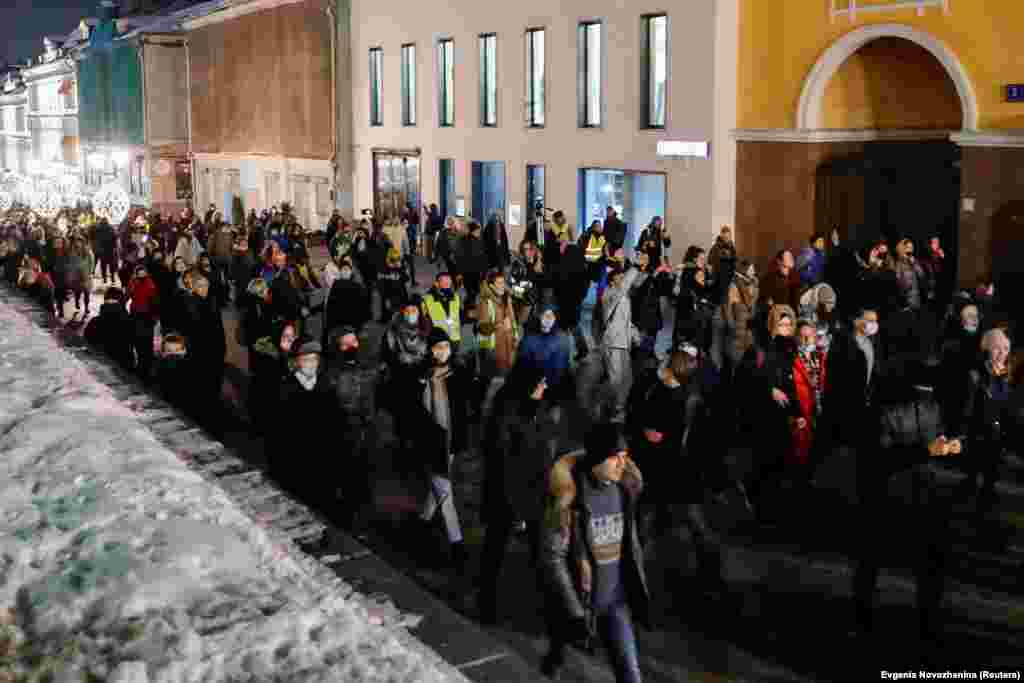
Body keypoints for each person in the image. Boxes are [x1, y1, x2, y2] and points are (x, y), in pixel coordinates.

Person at [852, 358, 961, 648]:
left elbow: (935, 432)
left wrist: (947, 444)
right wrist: (927, 449)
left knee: (927, 562)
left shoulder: (928, 406)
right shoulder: (885, 413)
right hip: (888, 494)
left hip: (922, 492)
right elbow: (882, 457)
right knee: (873, 558)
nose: (927, 394)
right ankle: (863, 615)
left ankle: (926, 620)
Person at [539, 423, 648, 682]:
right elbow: (553, 557)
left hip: (615, 602)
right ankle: (553, 659)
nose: (622, 465)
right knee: (561, 646)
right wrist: (574, 610)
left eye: (625, 457)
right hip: (581, 602)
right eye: (615, 458)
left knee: (631, 675)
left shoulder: (624, 490)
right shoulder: (570, 496)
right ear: (598, 457)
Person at [477, 366, 562, 625]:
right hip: (507, 496)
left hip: (533, 494)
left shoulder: (536, 411)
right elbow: (503, 460)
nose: (544, 388)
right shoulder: (507, 414)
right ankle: (487, 605)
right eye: (541, 384)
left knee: (540, 552)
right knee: (496, 550)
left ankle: (546, 610)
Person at [737, 304, 802, 519]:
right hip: (762, 416)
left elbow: (793, 383)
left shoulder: (793, 349)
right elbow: (744, 379)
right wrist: (769, 390)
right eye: (782, 324)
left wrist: (798, 412)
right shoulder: (760, 349)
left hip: (782, 417)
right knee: (763, 462)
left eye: (789, 324)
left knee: (780, 463)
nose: (786, 328)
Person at [415, 329, 471, 572]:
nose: (442, 352)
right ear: (430, 350)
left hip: (449, 443)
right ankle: (456, 541)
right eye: (437, 347)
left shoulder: (456, 376)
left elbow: (462, 413)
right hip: (430, 443)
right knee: (444, 491)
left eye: (446, 347)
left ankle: (422, 522)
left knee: (438, 487)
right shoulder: (423, 377)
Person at [324, 326, 379, 530]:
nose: (351, 346)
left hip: (366, 431)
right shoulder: (332, 372)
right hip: (344, 433)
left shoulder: (364, 366)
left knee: (364, 478)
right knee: (347, 479)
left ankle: (363, 518)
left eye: (354, 342)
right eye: (345, 344)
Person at [955, 328, 1012, 518]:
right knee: (973, 472)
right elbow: (969, 406)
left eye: (1005, 348)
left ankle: (985, 503)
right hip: (977, 430)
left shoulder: (1005, 374)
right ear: (986, 349)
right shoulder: (976, 374)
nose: (1002, 352)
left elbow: (1006, 405)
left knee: (991, 474)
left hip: (997, 433)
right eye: (997, 348)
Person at [476, 269, 520, 378]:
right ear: (491, 286)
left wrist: (515, 337)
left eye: (503, 282)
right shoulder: (485, 302)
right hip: (493, 350)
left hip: (510, 345)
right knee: (498, 379)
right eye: (499, 283)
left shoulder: (507, 299)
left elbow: (513, 320)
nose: (502, 286)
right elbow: (483, 328)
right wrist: (500, 325)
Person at [322, 258, 371, 348]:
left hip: (349, 325)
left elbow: (363, 306)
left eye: (347, 269)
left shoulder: (354, 286)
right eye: (343, 269)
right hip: (343, 326)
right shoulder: (338, 285)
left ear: (351, 271)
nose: (345, 272)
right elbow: (331, 307)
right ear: (340, 271)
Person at [83, 287, 134, 370]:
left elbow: (88, 345)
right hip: (125, 366)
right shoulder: (129, 320)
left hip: (103, 368)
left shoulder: (95, 322)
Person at [723, 260, 759, 373]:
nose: (754, 271)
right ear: (744, 270)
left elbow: (753, 303)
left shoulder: (752, 283)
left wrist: (755, 287)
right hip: (738, 322)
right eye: (751, 269)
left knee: (748, 352)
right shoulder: (735, 284)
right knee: (736, 355)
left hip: (748, 323)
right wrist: (731, 323)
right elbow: (728, 305)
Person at [127, 262, 160, 381]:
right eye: (139, 273)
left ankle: (146, 367)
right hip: (137, 315)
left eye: (143, 273)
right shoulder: (134, 283)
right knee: (140, 341)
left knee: (146, 342)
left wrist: (154, 316)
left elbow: (154, 301)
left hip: (146, 316)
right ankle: (143, 365)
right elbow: (128, 295)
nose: (142, 274)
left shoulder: (150, 283)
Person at [421, 272, 463, 354]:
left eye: (449, 283)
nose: (447, 285)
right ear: (436, 284)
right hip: (438, 340)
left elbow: (458, 315)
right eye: (444, 282)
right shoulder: (427, 299)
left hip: (454, 338)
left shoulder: (455, 297)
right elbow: (422, 320)